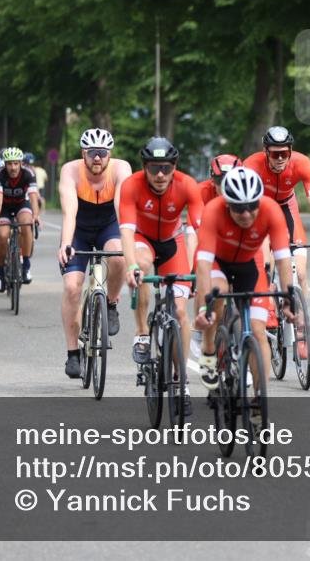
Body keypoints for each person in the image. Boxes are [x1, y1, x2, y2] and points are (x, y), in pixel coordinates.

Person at [193, 167, 295, 398]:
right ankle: (209, 349)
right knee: (217, 295)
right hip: (219, 262)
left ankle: (260, 401)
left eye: (252, 206)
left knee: (258, 333)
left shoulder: (271, 210)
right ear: (227, 203)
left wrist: (288, 301)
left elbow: (283, 261)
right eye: (239, 208)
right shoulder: (213, 210)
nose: (247, 213)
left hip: (249, 266)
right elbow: (204, 265)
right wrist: (203, 307)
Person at [119, 137, 203, 414]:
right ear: (144, 167)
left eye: (166, 168)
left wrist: (193, 271)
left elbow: (195, 232)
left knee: (180, 312)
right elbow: (127, 233)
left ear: (174, 166)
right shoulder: (131, 185)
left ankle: (182, 382)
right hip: (143, 240)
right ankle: (142, 333)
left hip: (173, 242)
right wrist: (130, 267)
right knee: (141, 266)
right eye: (154, 168)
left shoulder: (187, 185)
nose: (159, 175)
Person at [57, 128, 132, 379]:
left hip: (108, 227)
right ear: (83, 154)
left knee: (119, 257)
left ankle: (110, 304)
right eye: (91, 153)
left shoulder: (122, 169)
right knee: (72, 287)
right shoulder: (70, 170)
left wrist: (128, 244)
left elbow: (123, 208)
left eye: (102, 153)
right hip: (79, 229)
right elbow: (69, 212)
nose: (97, 158)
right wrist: (66, 243)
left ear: (110, 154)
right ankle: (72, 354)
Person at [243, 126, 310, 297]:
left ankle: (301, 320)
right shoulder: (251, 165)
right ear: (265, 152)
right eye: (275, 154)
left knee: (300, 274)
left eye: (284, 153)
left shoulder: (302, 163)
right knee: (265, 267)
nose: (279, 158)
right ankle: (268, 312)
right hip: (261, 209)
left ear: (290, 151)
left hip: (287, 207)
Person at [0, 147, 39, 291]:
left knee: (27, 223)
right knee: (3, 235)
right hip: (4, 207)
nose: (13, 167)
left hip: (21, 205)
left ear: (21, 163)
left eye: (16, 163)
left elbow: (33, 197)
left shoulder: (29, 173)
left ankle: (26, 266)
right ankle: (0, 272)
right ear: (5, 164)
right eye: (10, 164)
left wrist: (36, 216)